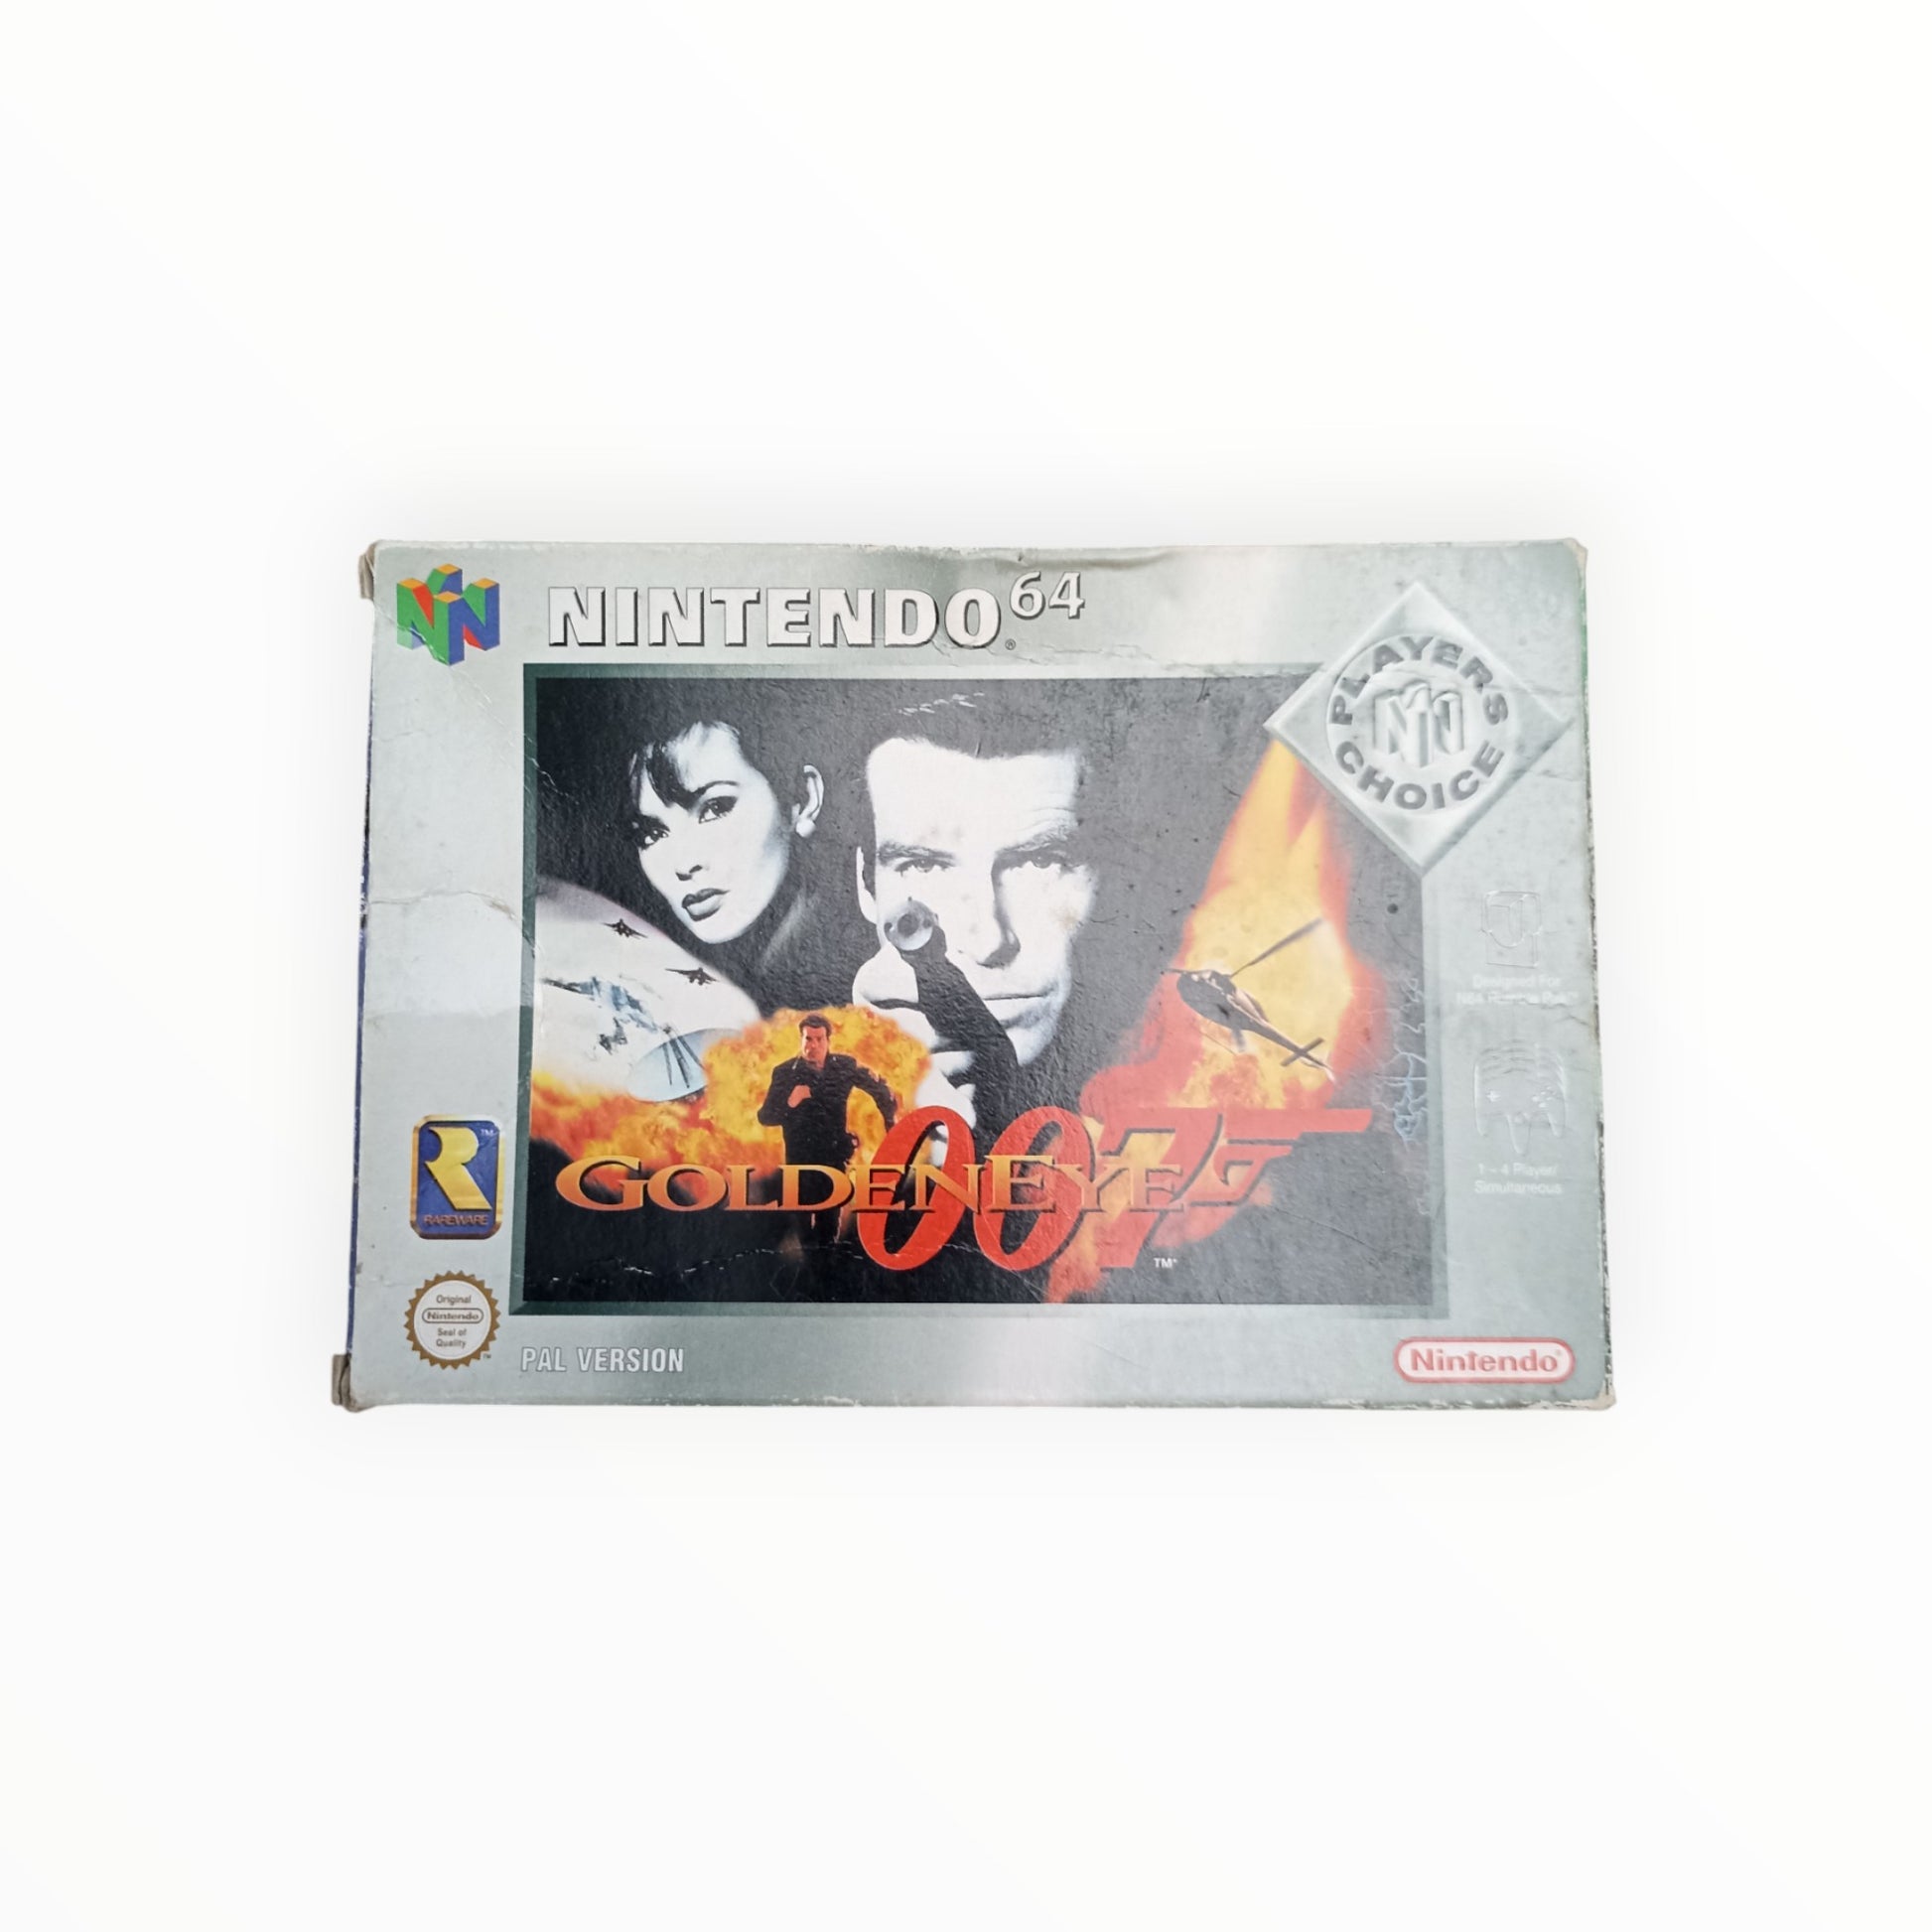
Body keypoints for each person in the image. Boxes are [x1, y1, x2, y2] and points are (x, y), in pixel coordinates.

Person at [756, 1014, 898, 1247]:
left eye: (819, 1039)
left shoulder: (844, 1066)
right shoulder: (784, 1072)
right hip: (799, 1164)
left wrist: (890, 1122)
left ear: (828, 1041)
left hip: (833, 1159)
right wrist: (790, 1102)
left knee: (829, 1228)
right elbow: (765, 1117)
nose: (813, 1046)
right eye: (808, 1039)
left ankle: (826, 1262)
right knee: (804, 1231)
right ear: (801, 1040)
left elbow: (879, 1088)